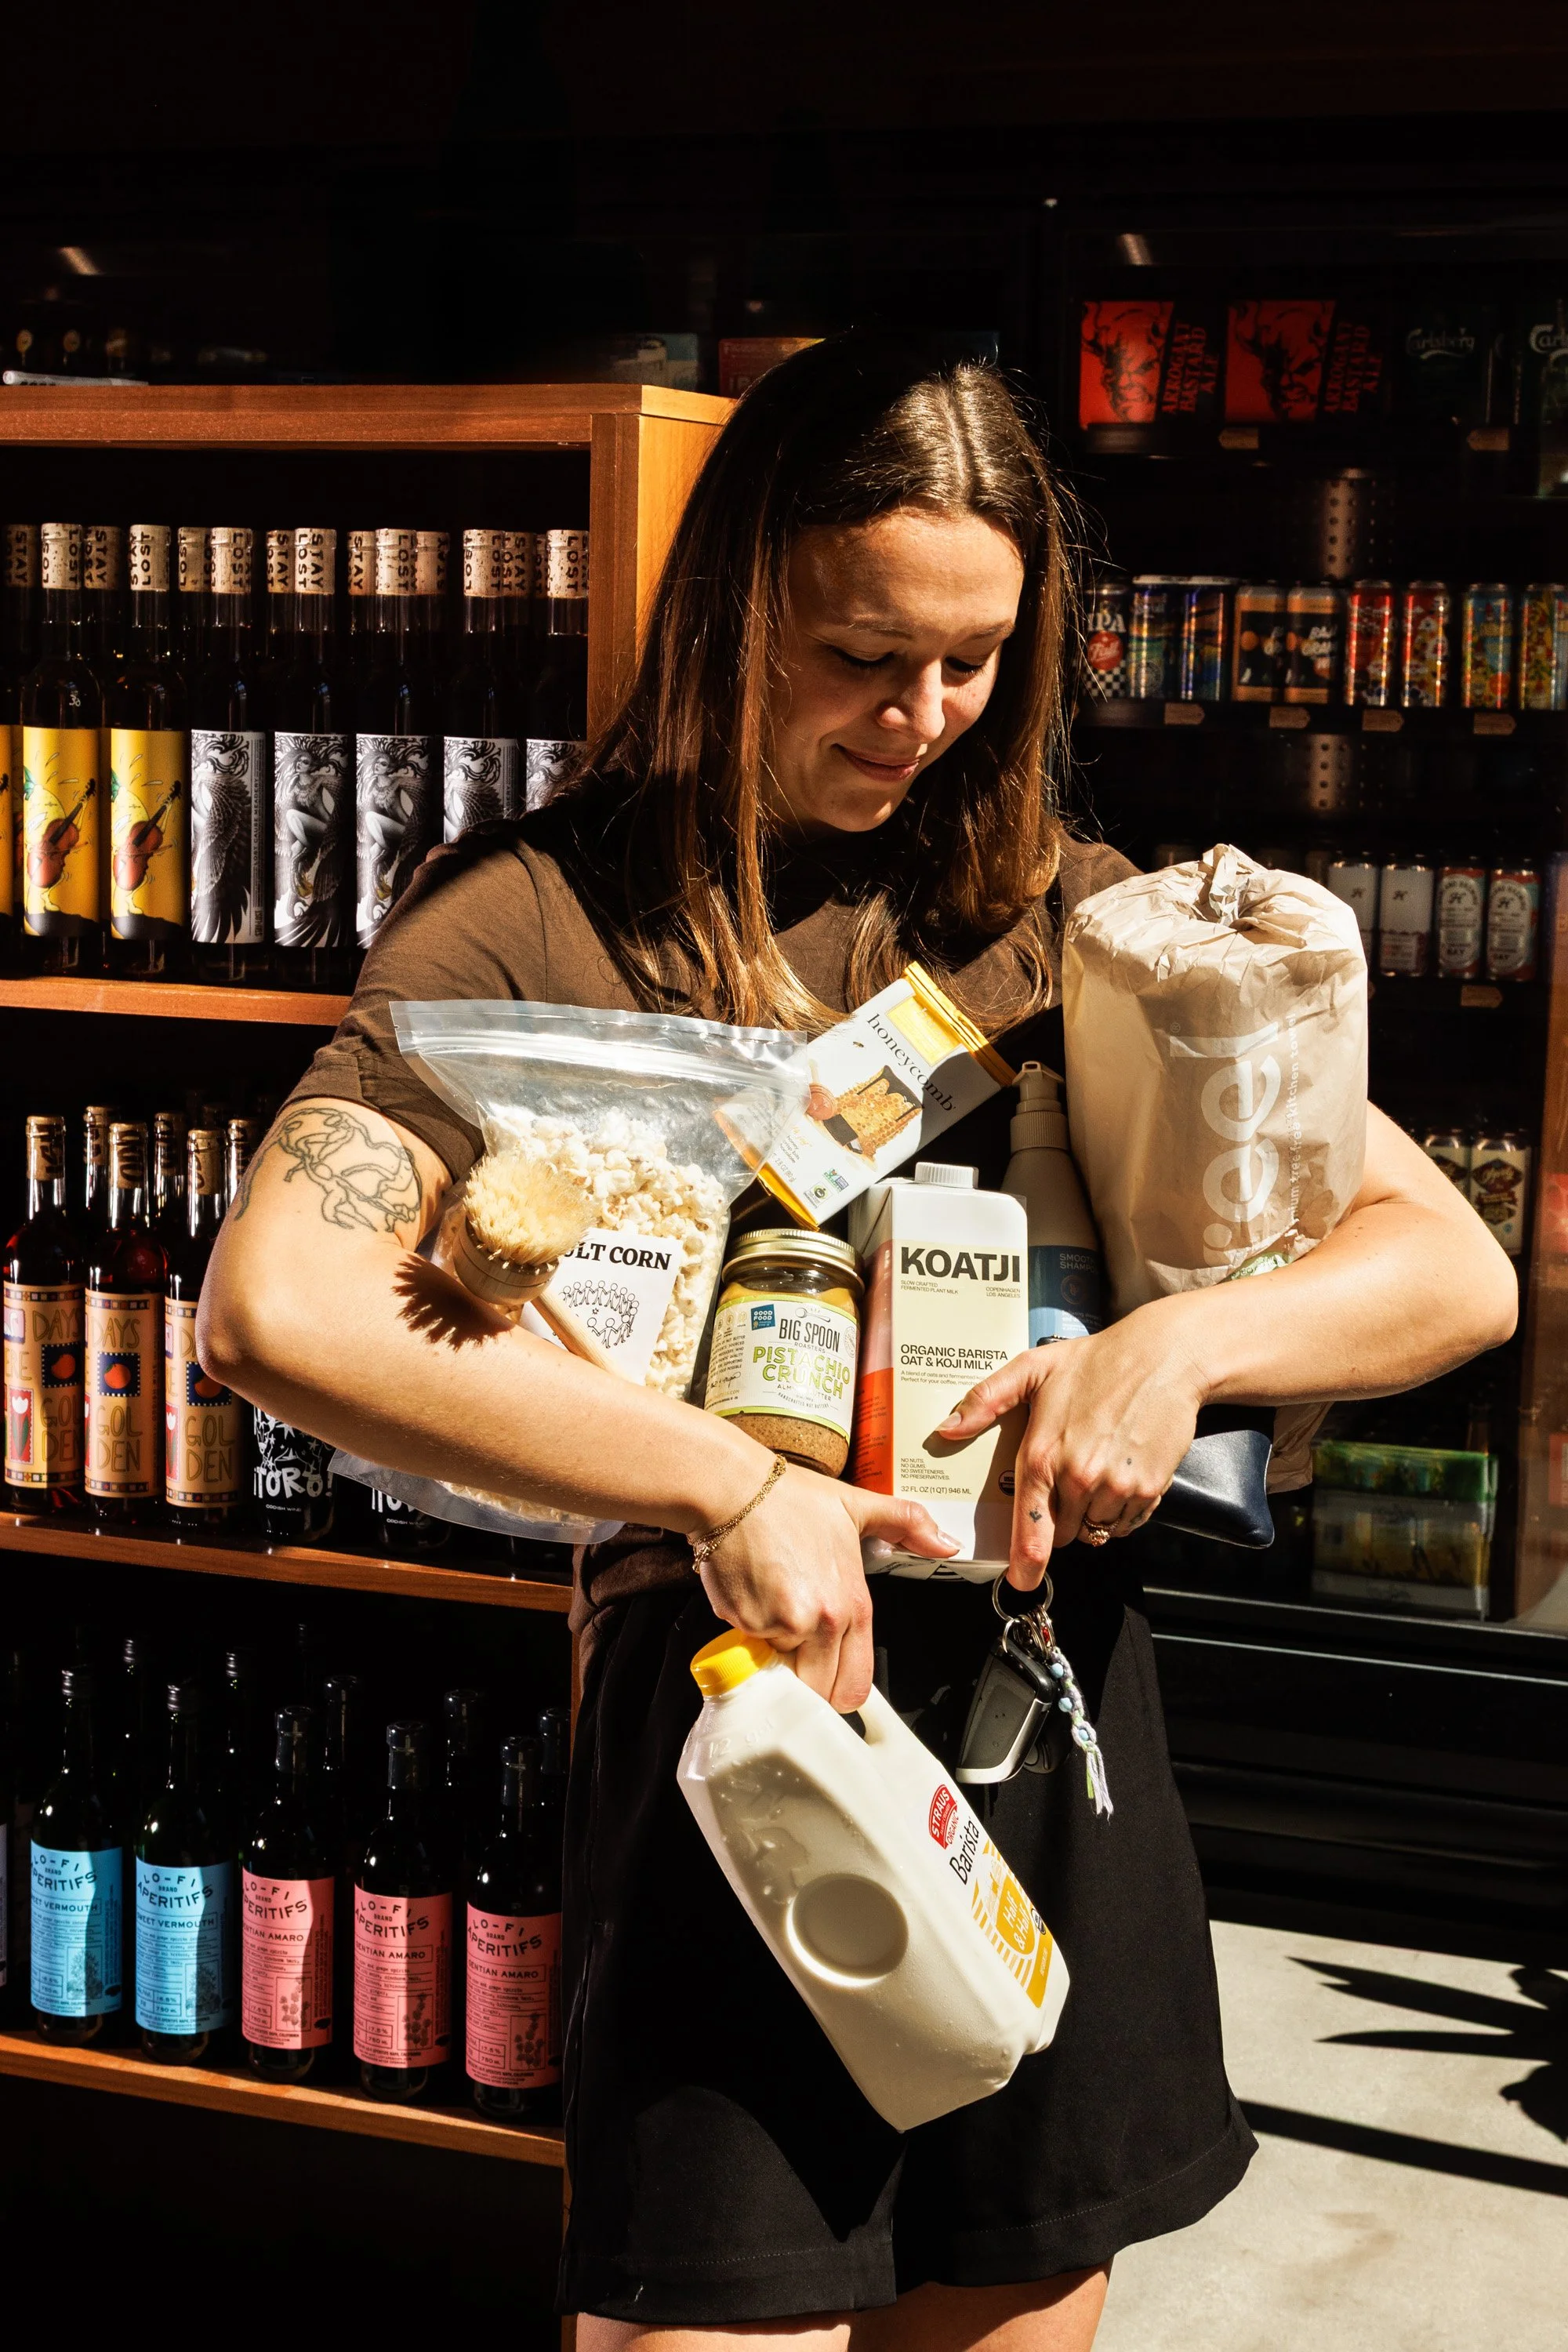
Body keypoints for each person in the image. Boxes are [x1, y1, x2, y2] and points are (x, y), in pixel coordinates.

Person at [201, 337, 1517, 2351]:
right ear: (734, 609)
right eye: (859, 653)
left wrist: (1177, 1356)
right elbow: (272, 1309)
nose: (922, 717)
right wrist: (728, 1480)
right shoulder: (537, 921)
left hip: (1047, 1723)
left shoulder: (1066, 917)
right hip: (742, 1738)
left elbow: (1449, 1269)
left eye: (975, 661)